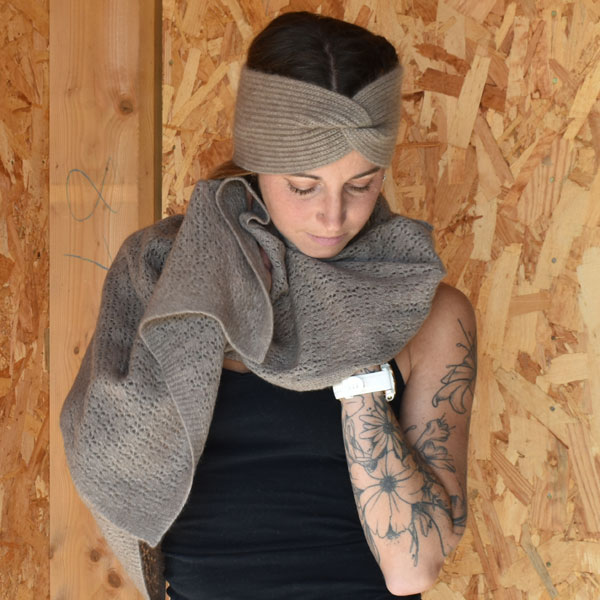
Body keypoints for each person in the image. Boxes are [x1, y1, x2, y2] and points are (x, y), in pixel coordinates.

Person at [60, 11, 476, 600]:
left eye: (361, 185)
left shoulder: (430, 313)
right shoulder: (162, 278)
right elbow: (113, 464)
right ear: (257, 160)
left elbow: (414, 569)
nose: (333, 217)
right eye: (303, 186)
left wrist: (357, 349)